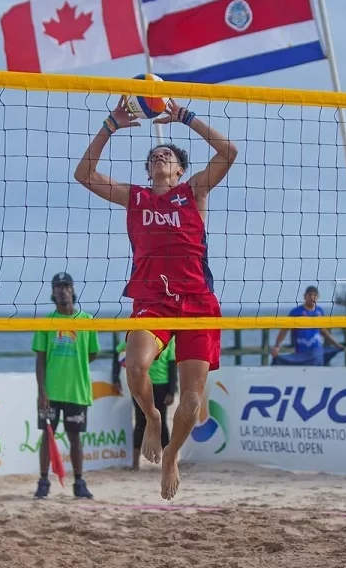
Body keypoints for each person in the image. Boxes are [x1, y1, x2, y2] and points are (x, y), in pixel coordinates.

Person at [73, 91, 237, 501]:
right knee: (135, 366)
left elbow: (228, 151)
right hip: (153, 298)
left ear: (181, 169)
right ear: (148, 170)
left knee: (193, 398)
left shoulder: (194, 192)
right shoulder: (137, 197)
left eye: (169, 156)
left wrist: (185, 116)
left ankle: (172, 455)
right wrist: (110, 124)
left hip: (198, 300)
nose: (161, 158)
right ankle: (150, 416)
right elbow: (84, 174)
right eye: (155, 156)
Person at [32, 272, 100, 500]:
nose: (62, 290)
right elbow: (40, 359)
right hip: (51, 391)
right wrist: (42, 390)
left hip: (77, 391)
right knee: (47, 437)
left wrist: (73, 368)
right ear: (52, 292)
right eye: (58, 286)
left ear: (72, 289)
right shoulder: (46, 322)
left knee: (75, 439)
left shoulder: (86, 321)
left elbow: (91, 354)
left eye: (66, 286)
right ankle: (43, 482)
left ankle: (79, 483)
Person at [113, 336, 178, 470]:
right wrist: (115, 377)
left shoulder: (168, 337)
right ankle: (135, 464)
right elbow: (118, 352)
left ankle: (170, 462)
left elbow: (172, 367)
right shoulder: (138, 334)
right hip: (141, 384)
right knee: (140, 422)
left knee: (162, 424)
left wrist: (172, 391)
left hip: (161, 385)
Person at [271, 285, 346, 366]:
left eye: (314, 295)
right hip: (301, 353)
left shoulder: (319, 311)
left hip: (317, 353)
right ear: (305, 296)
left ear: (318, 297)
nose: (312, 297)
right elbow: (284, 331)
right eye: (310, 295)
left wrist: (336, 344)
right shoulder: (296, 312)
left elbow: (323, 331)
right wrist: (277, 346)